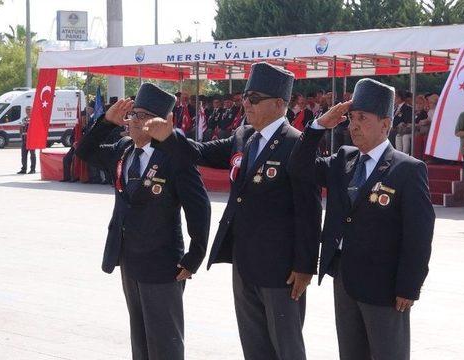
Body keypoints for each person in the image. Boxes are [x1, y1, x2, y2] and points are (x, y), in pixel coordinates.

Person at [146, 62, 320, 360]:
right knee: (254, 345)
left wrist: (305, 266)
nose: (246, 104)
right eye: (244, 97)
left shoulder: (296, 144)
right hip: (244, 261)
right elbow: (199, 152)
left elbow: (310, 210)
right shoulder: (244, 137)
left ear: (279, 104)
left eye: (254, 99)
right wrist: (169, 136)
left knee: (287, 347)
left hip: (281, 268)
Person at [292, 78, 435, 360]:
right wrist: (319, 125)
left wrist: (409, 286)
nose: (353, 125)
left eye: (363, 118)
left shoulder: (407, 169)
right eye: (352, 117)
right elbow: (298, 167)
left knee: (387, 354)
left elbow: (418, 235)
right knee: (351, 353)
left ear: (385, 124)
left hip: (385, 284)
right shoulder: (343, 160)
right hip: (344, 277)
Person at [76, 83, 210, 360]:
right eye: (131, 115)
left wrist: (194, 255)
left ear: (157, 123)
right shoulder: (124, 150)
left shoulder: (174, 155)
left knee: (165, 343)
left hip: (163, 263)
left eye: (140, 116)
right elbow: (84, 152)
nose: (132, 121)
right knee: (140, 341)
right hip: (129, 259)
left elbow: (199, 206)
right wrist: (105, 122)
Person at [18, 106, 36, 174]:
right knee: (23, 155)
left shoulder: (34, 119)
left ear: (32, 110)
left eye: (29, 110)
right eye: (26, 110)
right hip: (24, 139)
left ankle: (33, 169)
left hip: (31, 140)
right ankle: (24, 169)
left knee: (32, 155)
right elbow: (21, 127)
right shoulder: (24, 119)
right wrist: (20, 135)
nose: (27, 111)